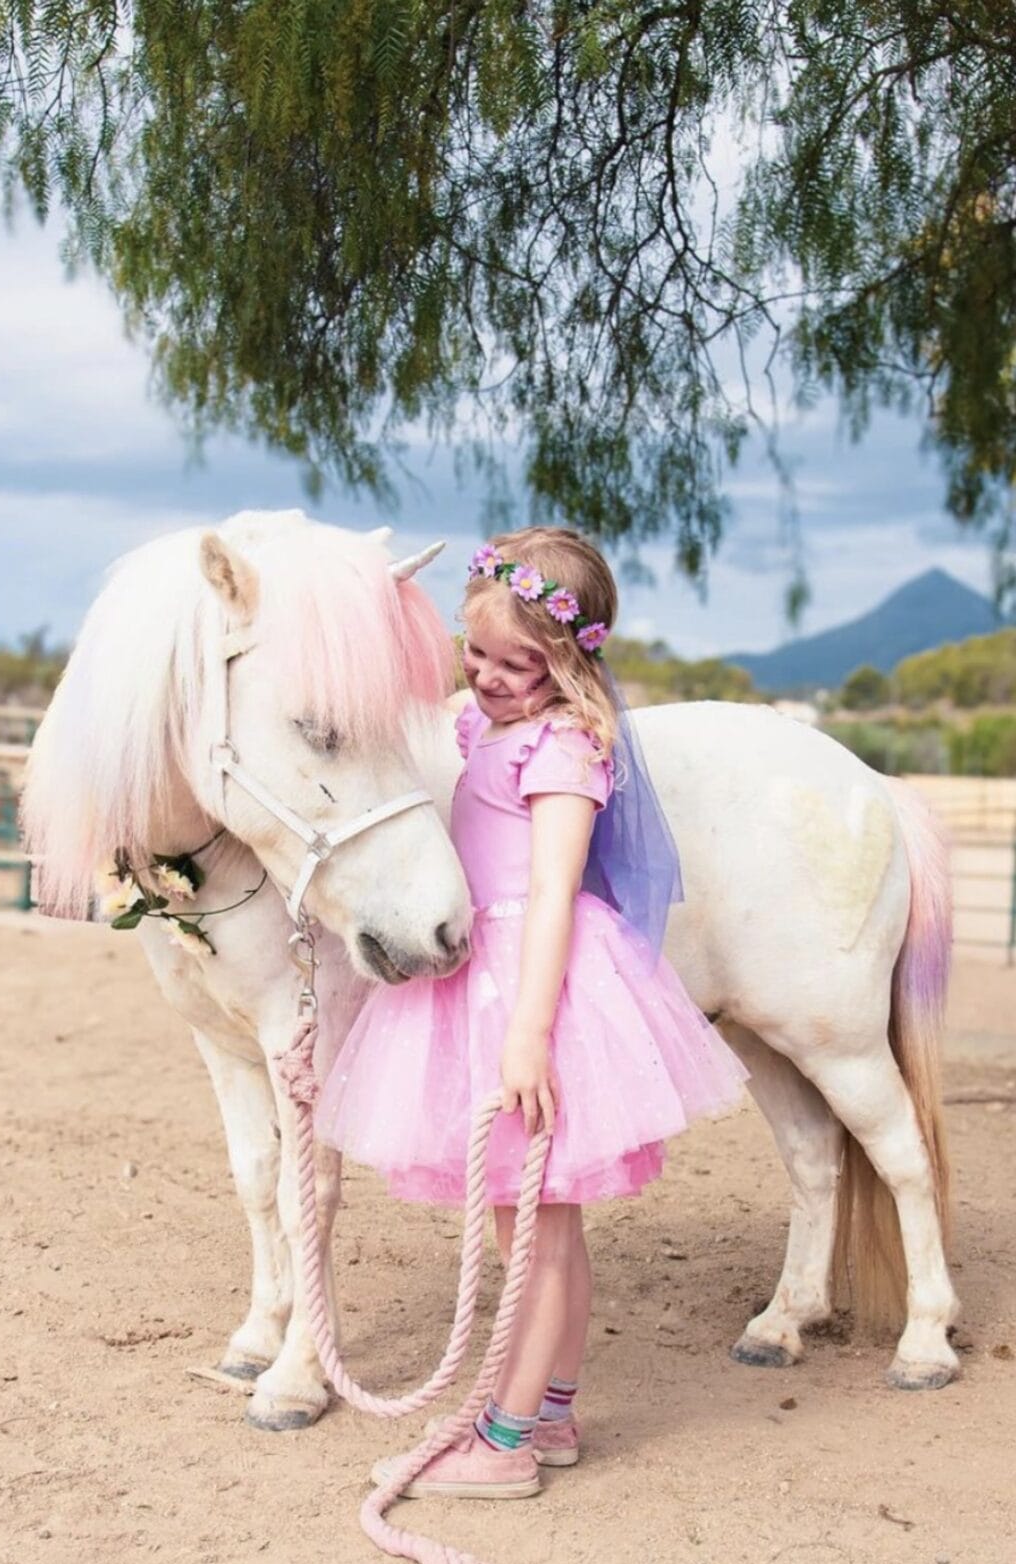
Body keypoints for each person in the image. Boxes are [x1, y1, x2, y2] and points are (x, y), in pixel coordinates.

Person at [314, 525, 749, 1499]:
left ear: (573, 655)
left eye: (523, 662)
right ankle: (550, 1415)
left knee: (536, 1238)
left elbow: (554, 891)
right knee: (548, 1231)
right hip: (482, 978)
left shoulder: (564, 746)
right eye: (479, 656)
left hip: (531, 988)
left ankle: (503, 1444)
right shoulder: (484, 728)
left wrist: (526, 1035)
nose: (495, 679)